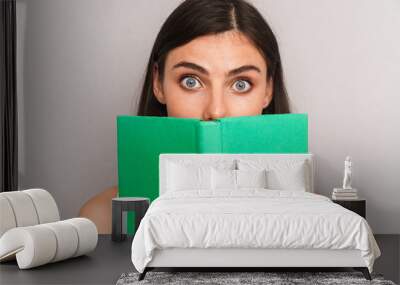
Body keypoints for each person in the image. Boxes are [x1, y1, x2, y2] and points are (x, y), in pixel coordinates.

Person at [79, 0, 291, 233]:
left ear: (268, 90)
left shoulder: (311, 217)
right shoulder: (101, 220)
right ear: (158, 84)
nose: (216, 111)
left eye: (241, 84)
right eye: (191, 81)